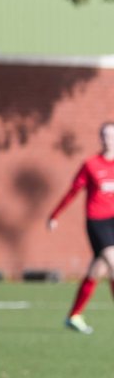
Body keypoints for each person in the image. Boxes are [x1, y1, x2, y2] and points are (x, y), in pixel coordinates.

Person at [49, 121, 114, 335]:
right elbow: (73, 192)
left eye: (111, 135)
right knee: (113, 261)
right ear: (100, 138)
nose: (108, 139)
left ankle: (73, 316)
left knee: (99, 270)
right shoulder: (91, 164)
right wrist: (55, 214)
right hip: (97, 221)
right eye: (104, 135)